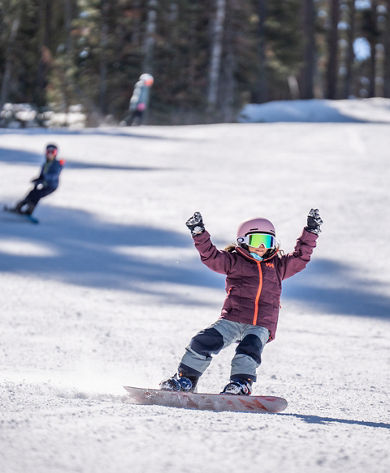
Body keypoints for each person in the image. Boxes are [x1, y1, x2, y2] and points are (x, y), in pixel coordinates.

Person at [160, 209, 323, 395]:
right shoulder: (234, 261)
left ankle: (241, 384)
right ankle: (186, 379)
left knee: (248, 351)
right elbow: (211, 257)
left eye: (267, 241)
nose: (262, 246)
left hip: (261, 324)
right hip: (233, 318)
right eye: (255, 240)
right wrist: (199, 233)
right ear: (243, 241)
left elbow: (300, 258)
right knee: (202, 341)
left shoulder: (278, 266)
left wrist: (311, 231)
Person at [13, 144, 64, 216]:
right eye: (48, 152)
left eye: (52, 152)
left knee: (37, 195)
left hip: (51, 186)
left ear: (55, 154)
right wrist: (38, 179)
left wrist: (44, 180)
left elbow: (54, 175)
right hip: (45, 184)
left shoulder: (57, 164)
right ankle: (19, 207)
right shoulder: (46, 164)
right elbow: (42, 175)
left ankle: (29, 211)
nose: (50, 154)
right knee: (32, 192)